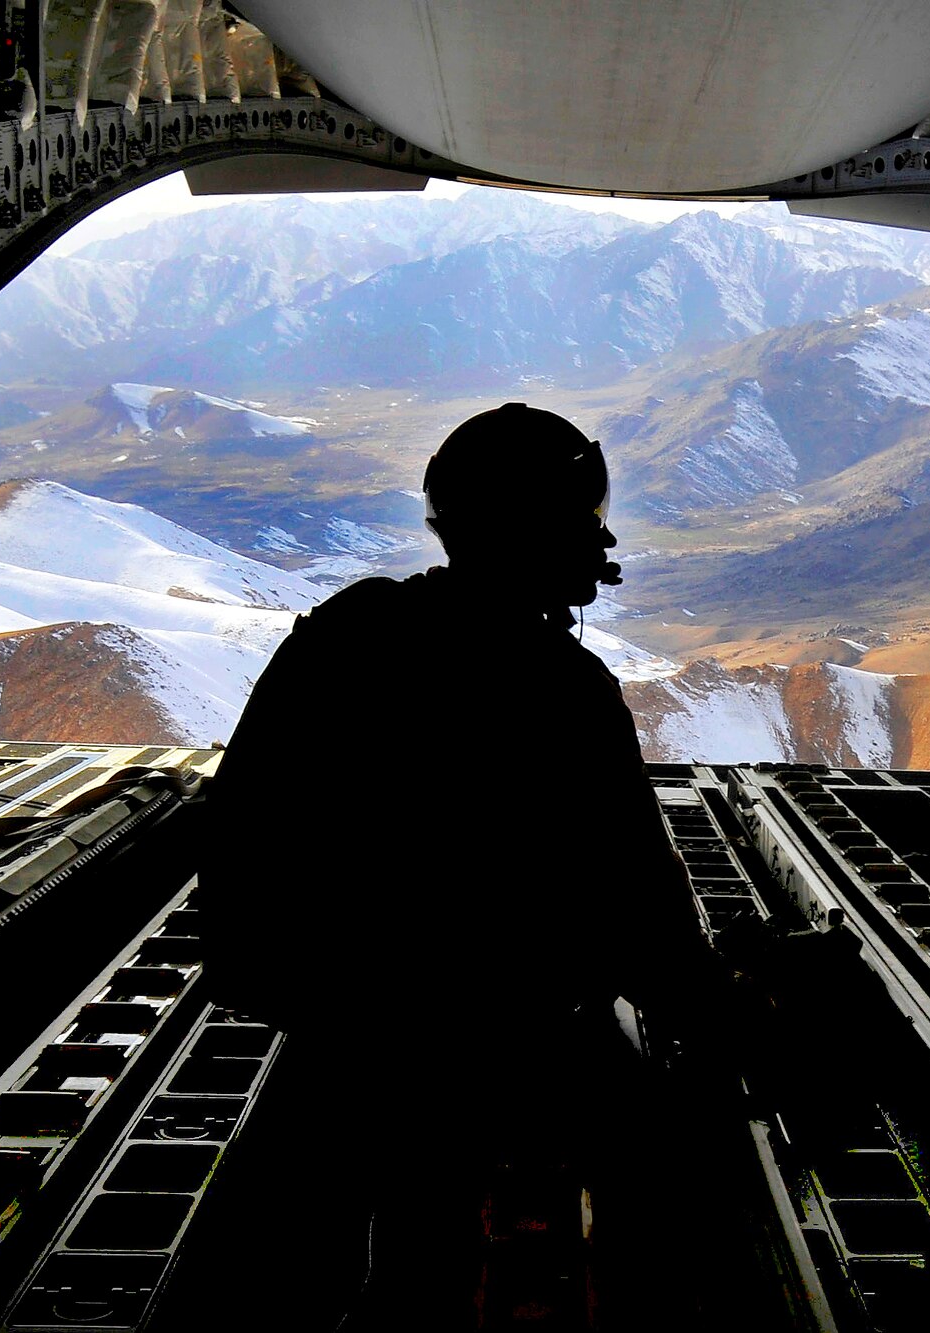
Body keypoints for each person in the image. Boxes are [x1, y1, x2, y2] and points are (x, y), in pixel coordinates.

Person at [196, 403, 719, 1329]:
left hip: (335, 1034)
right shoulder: (569, 692)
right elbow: (650, 926)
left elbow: (238, 835)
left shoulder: (344, 632)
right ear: (560, 536)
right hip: (500, 1054)